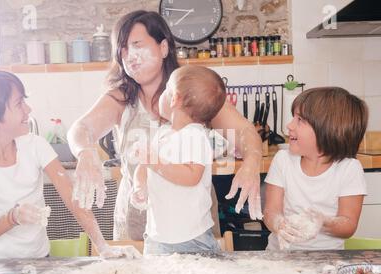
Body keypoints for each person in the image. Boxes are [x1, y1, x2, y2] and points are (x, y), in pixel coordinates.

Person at [68, 10, 263, 241]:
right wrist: (85, 152)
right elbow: (80, 129)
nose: (129, 56)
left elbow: (244, 131)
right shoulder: (120, 98)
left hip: (192, 226)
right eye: (123, 50)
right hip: (137, 219)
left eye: (137, 45)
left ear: (163, 47)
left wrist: (251, 160)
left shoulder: (192, 93)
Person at [0, 69, 140, 259]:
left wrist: (102, 246)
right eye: (18, 104)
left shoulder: (35, 145)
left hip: (39, 259)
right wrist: (12, 217)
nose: (28, 109)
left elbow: (74, 199)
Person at [130, 65, 225, 254]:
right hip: (157, 237)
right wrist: (139, 186)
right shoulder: (162, 133)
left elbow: (191, 176)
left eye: (167, 89)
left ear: (174, 98)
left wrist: (155, 163)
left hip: (192, 239)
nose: (162, 93)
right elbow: (144, 167)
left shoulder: (196, 136)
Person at [263, 87, 368, 250]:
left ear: (328, 130)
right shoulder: (282, 160)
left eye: (300, 120)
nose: (289, 125)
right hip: (280, 258)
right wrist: (278, 224)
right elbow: (271, 211)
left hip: (327, 261)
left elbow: (348, 226)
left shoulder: (349, 169)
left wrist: (323, 222)